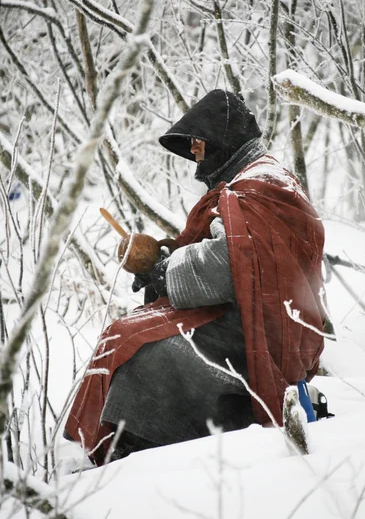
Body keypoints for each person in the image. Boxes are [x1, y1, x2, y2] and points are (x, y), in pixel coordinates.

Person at [64, 89, 325, 465]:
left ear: (224, 140)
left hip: (258, 331)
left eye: (200, 143)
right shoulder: (254, 180)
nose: (196, 154)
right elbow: (232, 253)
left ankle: (135, 447)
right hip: (245, 313)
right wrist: (165, 261)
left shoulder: (260, 186)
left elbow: (228, 262)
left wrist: (166, 270)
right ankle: (107, 441)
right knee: (127, 330)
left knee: (143, 347)